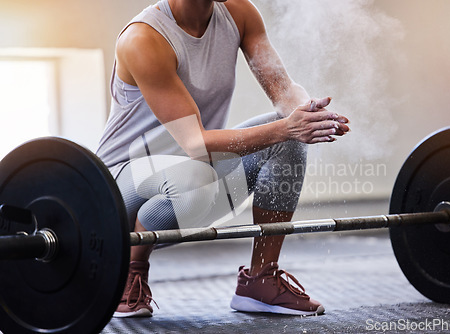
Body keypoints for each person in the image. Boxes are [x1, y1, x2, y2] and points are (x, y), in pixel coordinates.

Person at [96, 0, 349, 318]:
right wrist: (287, 127)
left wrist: (308, 113)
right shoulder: (144, 39)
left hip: (194, 172)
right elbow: (196, 144)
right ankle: (131, 270)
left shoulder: (240, 13)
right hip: (117, 190)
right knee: (199, 175)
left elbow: (284, 93)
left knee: (289, 143)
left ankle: (260, 279)